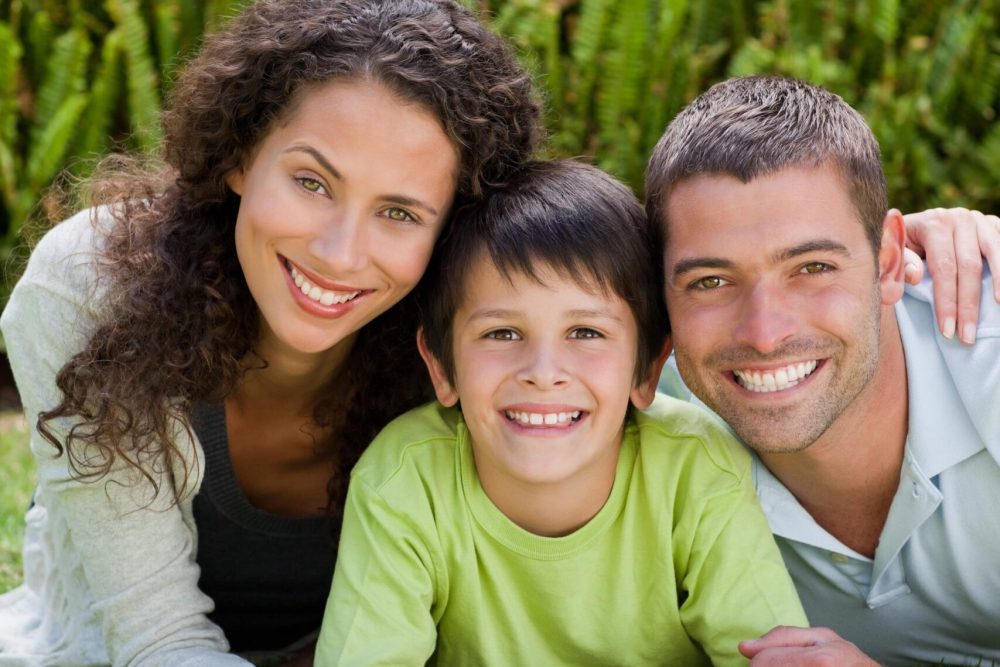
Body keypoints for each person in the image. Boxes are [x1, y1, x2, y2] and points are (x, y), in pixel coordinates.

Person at [0, 1, 541, 664]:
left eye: (399, 211)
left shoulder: (479, 341)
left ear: (450, 231)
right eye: (312, 182)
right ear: (240, 155)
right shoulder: (89, 291)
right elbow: (156, 640)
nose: (340, 254)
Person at [314, 160, 809, 666]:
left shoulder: (697, 466)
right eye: (501, 334)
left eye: (586, 334)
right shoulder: (403, 480)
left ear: (647, 370)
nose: (544, 372)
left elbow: (772, 657)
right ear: (441, 366)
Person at [645, 75, 1000, 666]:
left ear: (888, 261)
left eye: (812, 267)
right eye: (710, 281)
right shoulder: (643, 424)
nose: (764, 333)